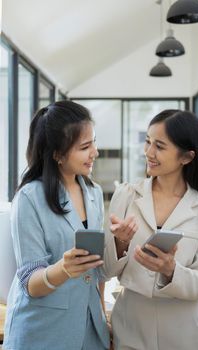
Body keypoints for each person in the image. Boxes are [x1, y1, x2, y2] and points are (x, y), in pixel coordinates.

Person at [104, 109, 198, 350]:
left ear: (186, 157)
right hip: (131, 327)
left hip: (188, 333)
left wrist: (171, 270)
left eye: (159, 146)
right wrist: (120, 244)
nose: (148, 152)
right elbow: (104, 271)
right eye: (148, 142)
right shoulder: (126, 195)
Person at [3, 100, 111, 350]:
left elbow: (95, 272)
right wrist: (64, 268)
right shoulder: (29, 198)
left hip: (89, 328)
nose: (95, 151)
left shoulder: (93, 193)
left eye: (94, 141)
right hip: (42, 331)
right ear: (57, 154)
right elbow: (30, 282)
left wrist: (102, 318)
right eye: (85, 146)